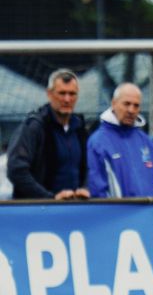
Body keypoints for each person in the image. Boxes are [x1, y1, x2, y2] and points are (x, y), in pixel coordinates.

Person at [7, 68, 90, 201]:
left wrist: (86, 188)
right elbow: (16, 171)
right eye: (62, 93)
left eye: (72, 93)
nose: (67, 99)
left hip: (75, 210)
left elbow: (89, 166)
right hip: (40, 211)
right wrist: (49, 198)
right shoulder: (33, 127)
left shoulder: (80, 128)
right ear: (49, 94)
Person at [87, 82, 153, 199]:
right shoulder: (98, 142)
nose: (131, 110)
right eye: (126, 104)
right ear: (113, 103)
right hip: (118, 215)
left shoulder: (146, 141)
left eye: (136, 105)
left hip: (149, 215)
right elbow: (98, 189)